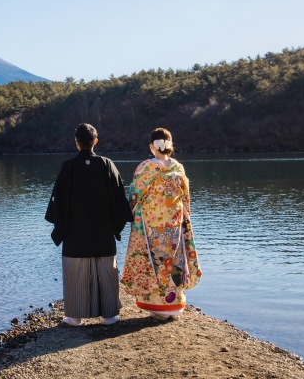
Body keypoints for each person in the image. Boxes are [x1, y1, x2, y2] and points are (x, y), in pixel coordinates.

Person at [45, 123, 133, 326]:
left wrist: (61, 227)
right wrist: (115, 226)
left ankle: (75, 316)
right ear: (95, 141)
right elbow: (120, 200)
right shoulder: (107, 164)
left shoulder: (68, 167)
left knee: (75, 273)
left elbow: (57, 203)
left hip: (75, 233)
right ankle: (109, 315)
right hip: (103, 232)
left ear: (76, 143)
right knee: (106, 271)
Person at [120, 127, 202, 321]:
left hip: (151, 225)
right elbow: (186, 199)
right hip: (174, 224)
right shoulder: (178, 168)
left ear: (151, 146)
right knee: (174, 261)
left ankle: (158, 307)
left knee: (155, 263)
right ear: (171, 146)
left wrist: (129, 214)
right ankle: (175, 305)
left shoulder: (146, 168)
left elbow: (134, 194)